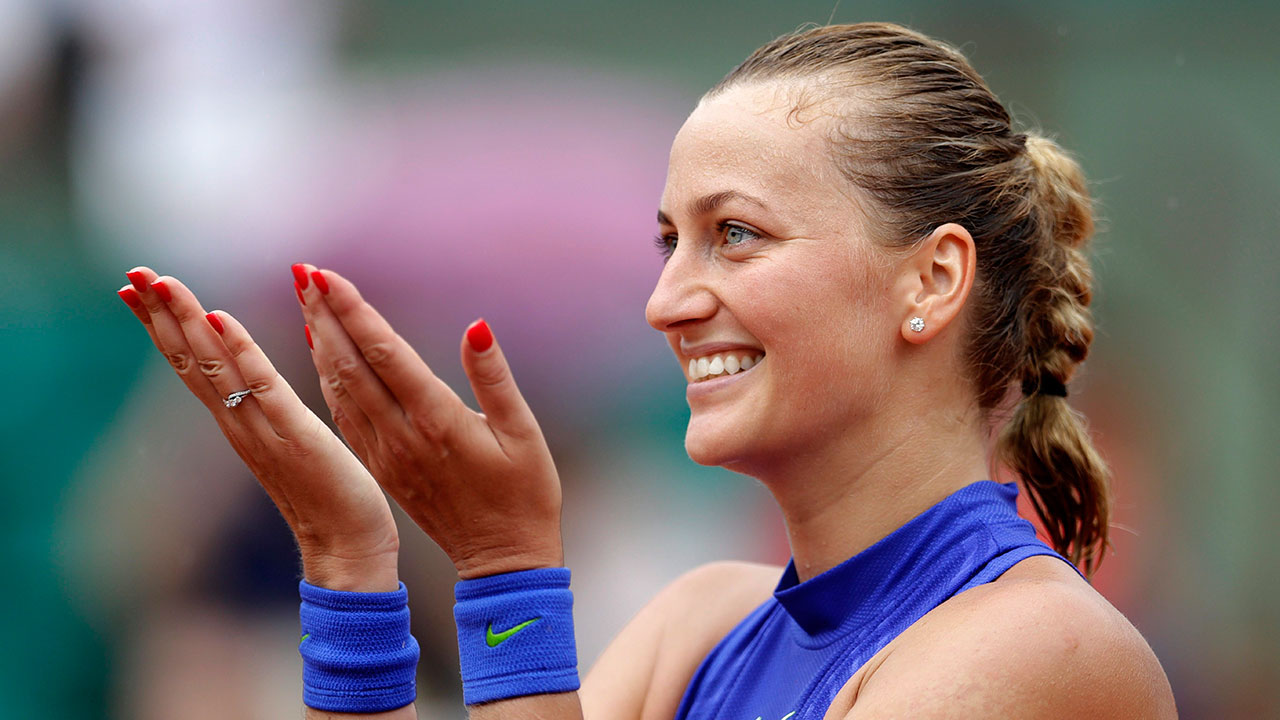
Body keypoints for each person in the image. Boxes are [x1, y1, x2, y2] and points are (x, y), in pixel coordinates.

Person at [116, 22, 1177, 720]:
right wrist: (347, 561)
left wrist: (501, 566)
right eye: (669, 241)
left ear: (932, 279)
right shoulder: (697, 622)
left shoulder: (1045, 652)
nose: (665, 300)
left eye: (737, 236)